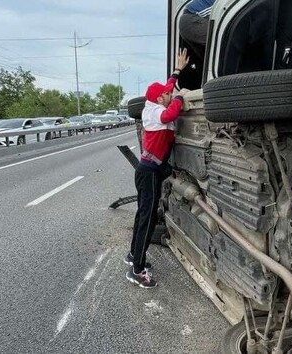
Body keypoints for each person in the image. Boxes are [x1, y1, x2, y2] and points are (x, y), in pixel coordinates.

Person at [125, 48, 190, 288]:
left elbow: (168, 88)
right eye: (166, 94)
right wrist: (181, 97)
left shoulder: (156, 104)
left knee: (144, 214)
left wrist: (177, 71)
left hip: (148, 170)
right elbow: (171, 111)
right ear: (158, 99)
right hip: (149, 172)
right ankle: (137, 270)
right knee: (147, 218)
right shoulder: (153, 113)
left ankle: (133, 255)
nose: (169, 93)